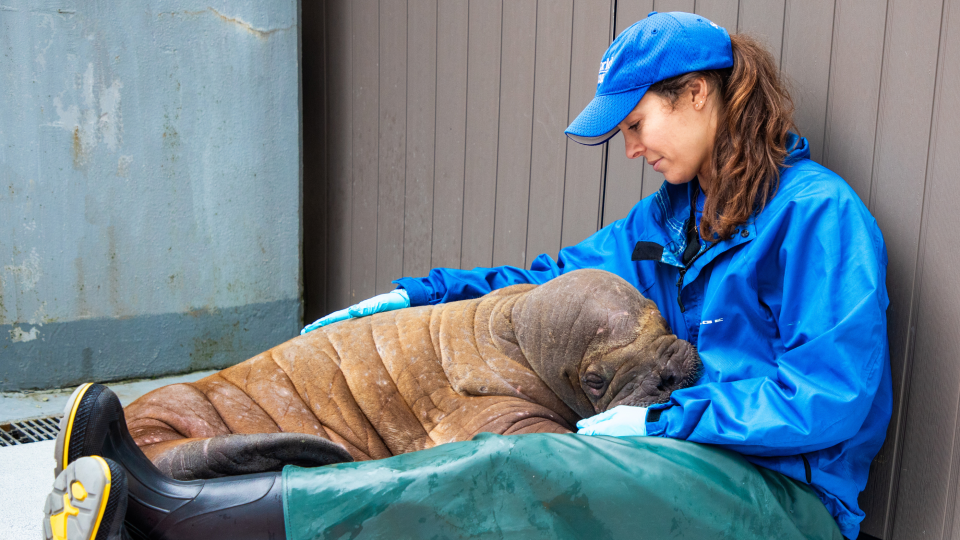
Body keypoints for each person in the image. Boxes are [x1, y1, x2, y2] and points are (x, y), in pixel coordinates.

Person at [44, 12, 888, 540]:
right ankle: (212, 494)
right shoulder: (669, 217)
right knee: (490, 461)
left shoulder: (819, 216)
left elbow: (831, 395)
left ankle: (172, 516)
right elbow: (545, 280)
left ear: (698, 95)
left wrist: (666, 420)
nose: (631, 148)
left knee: (518, 469)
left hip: (781, 501)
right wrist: (422, 293)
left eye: (637, 123)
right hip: (687, 462)